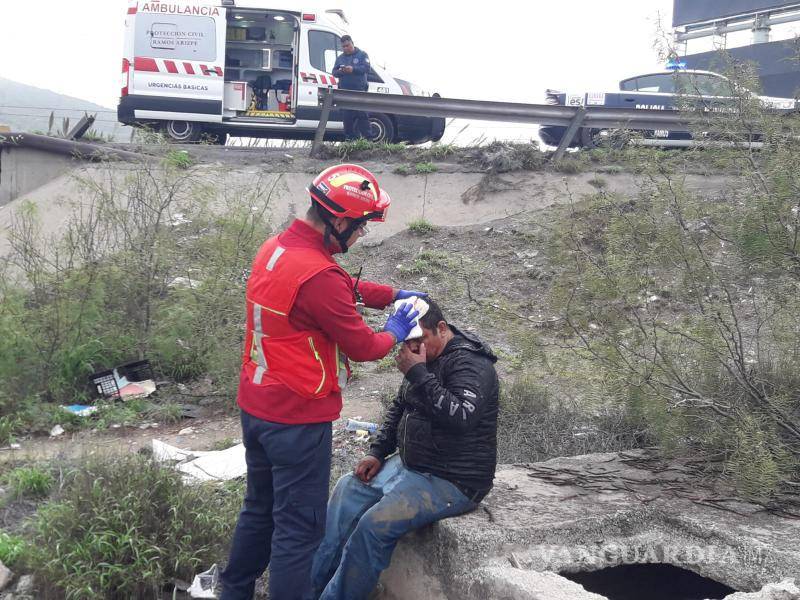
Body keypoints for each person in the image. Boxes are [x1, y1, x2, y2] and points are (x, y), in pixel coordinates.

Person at [220, 163, 427, 600]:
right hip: (296, 417)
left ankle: (232, 592)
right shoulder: (319, 274)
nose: (360, 236)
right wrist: (395, 326)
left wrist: (393, 293)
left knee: (258, 510)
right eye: (361, 226)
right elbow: (365, 346)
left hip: (256, 405)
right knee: (298, 532)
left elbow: (340, 290)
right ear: (338, 219)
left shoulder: (276, 249)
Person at [310, 298, 499, 600]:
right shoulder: (423, 359)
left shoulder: (471, 364)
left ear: (441, 328)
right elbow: (401, 406)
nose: (414, 349)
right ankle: (309, 590)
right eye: (408, 342)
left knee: (374, 526)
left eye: (420, 340)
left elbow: (461, 417)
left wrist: (418, 374)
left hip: (453, 478)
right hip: (412, 464)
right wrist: (376, 451)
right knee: (347, 490)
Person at [332, 35, 372, 140]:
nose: (346, 48)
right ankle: (350, 140)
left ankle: (368, 139)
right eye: (343, 46)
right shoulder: (340, 58)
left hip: (359, 91)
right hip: (345, 92)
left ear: (352, 43)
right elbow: (334, 72)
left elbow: (367, 68)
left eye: (347, 45)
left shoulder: (362, 55)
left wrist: (353, 70)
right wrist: (342, 71)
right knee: (347, 117)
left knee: (362, 115)